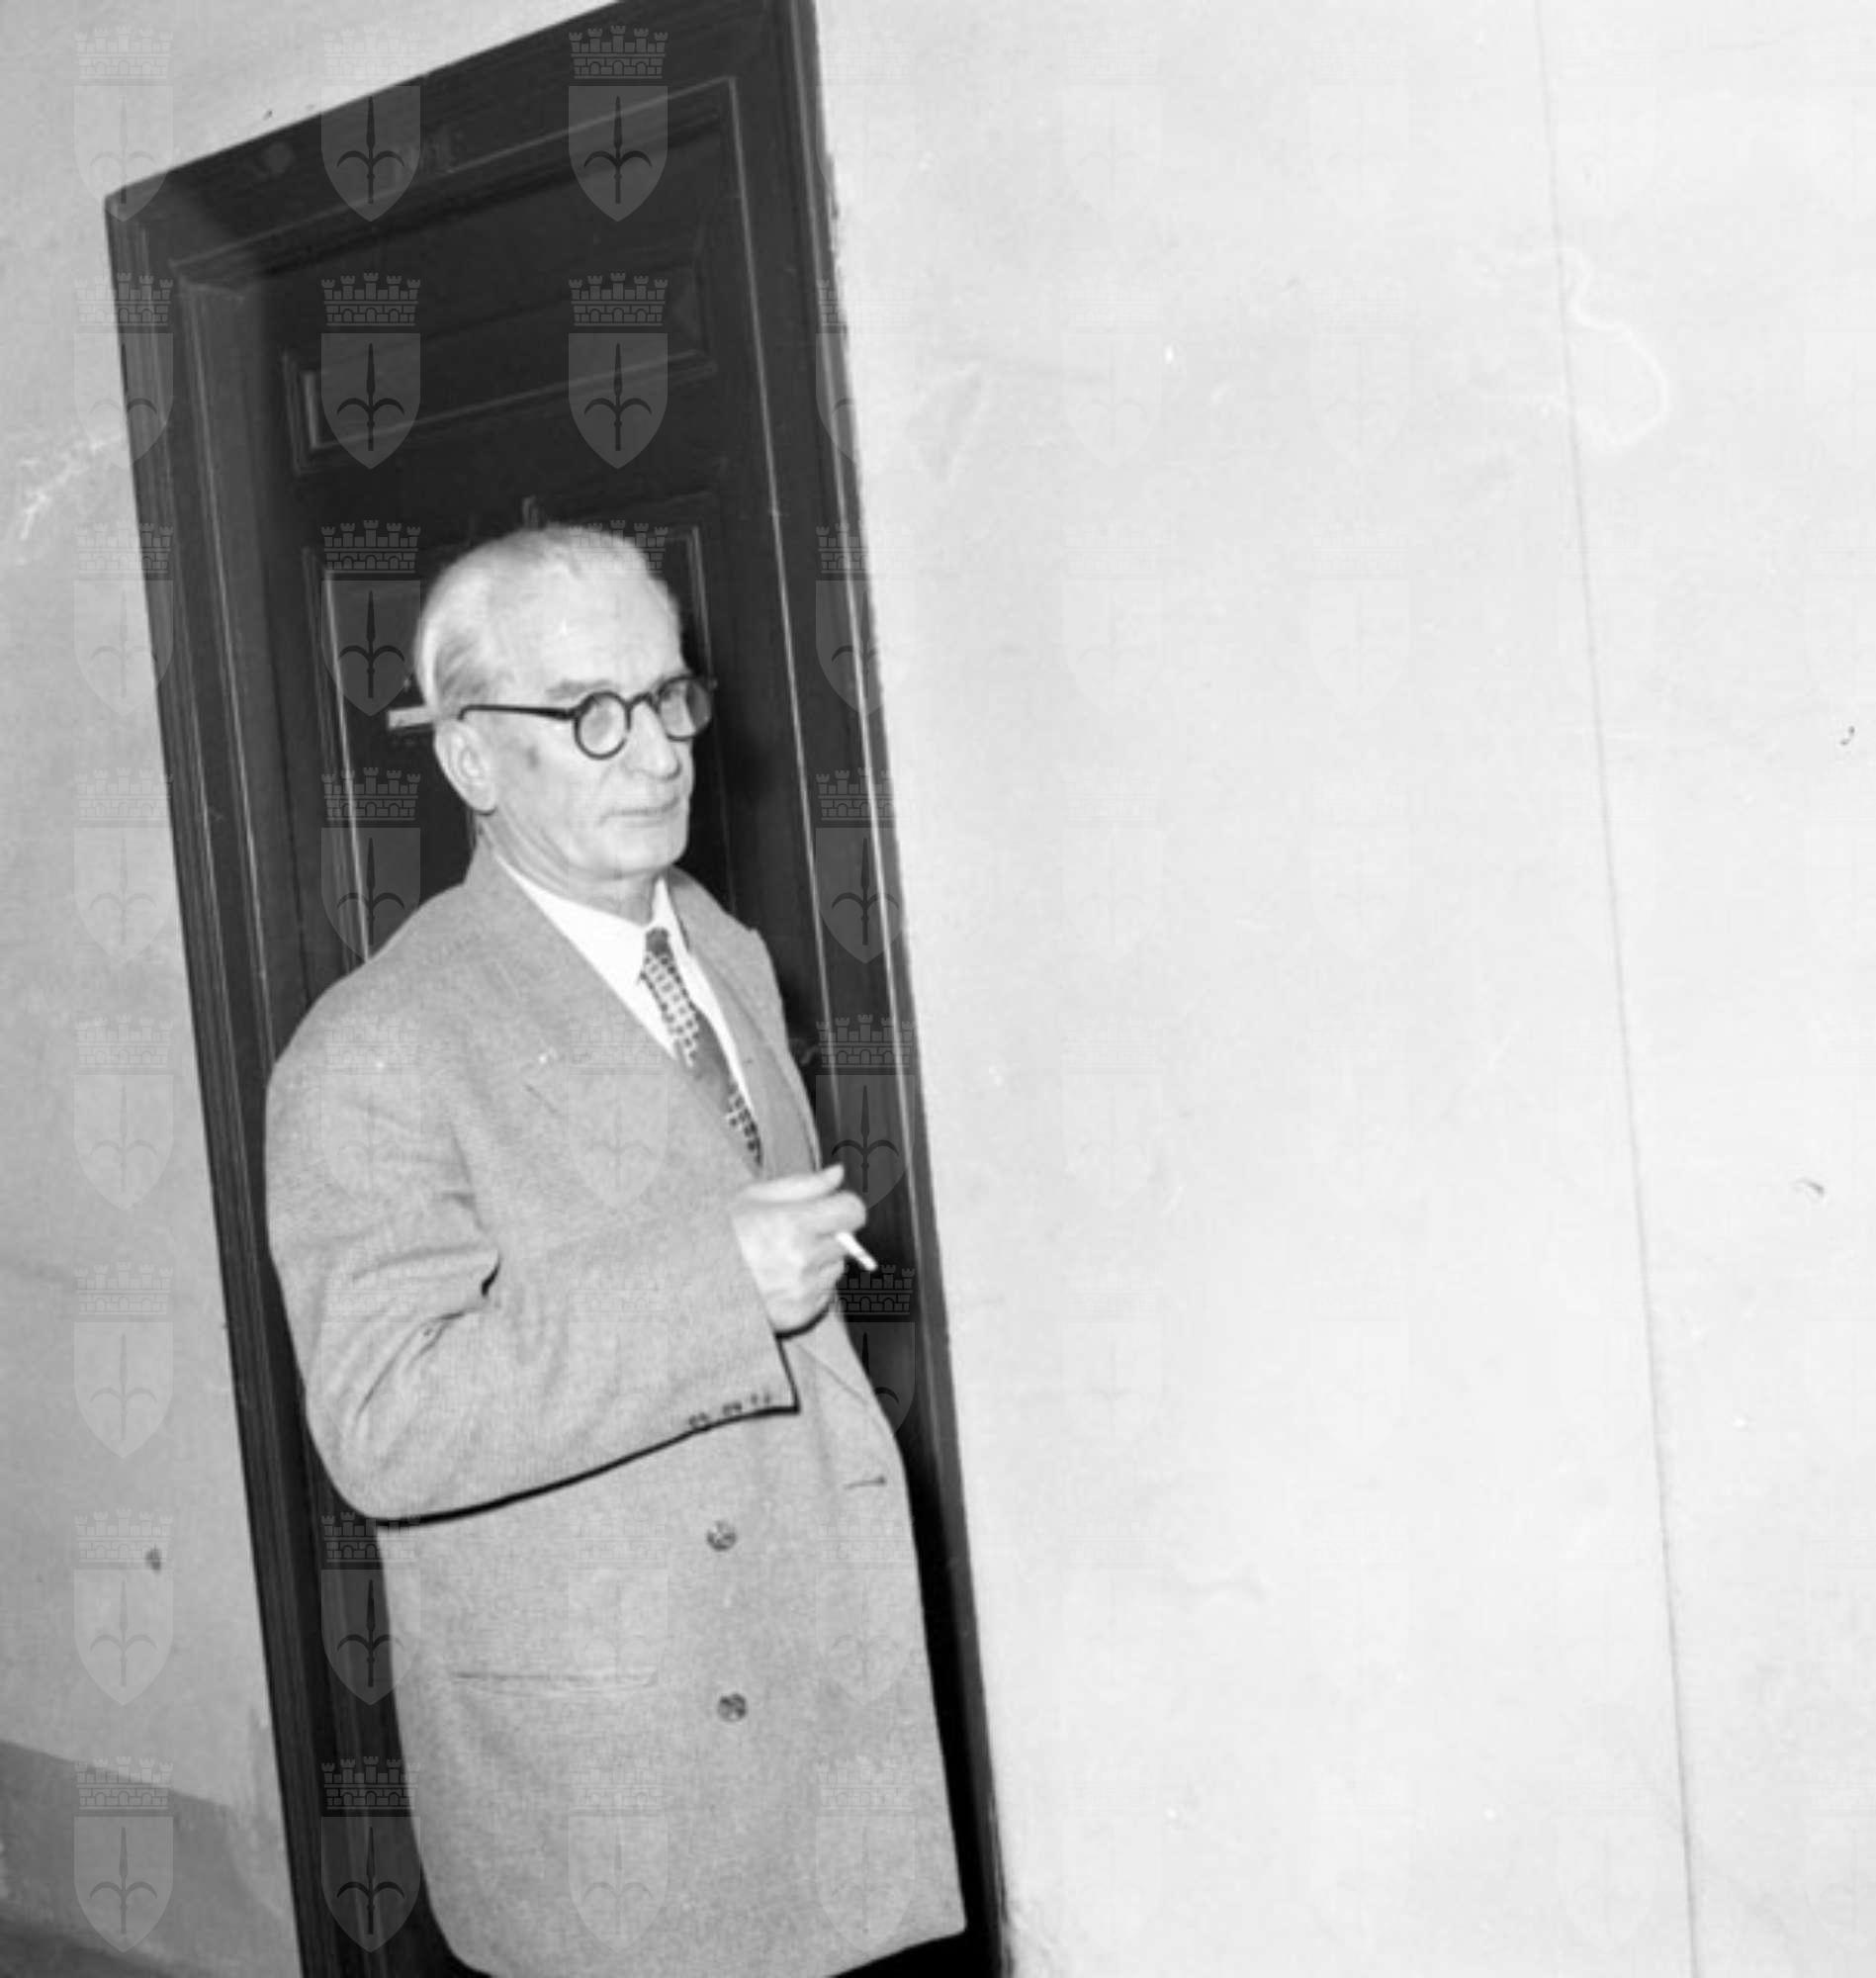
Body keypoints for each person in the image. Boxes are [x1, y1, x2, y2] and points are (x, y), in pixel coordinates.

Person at [265, 526, 964, 1978]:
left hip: (809, 1680)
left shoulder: (717, 945)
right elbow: (385, 1421)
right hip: (622, 1766)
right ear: (470, 757)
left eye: (667, 697)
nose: (655, 752)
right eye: (591, 713)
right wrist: (719, 1287)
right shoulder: (378, 1044)